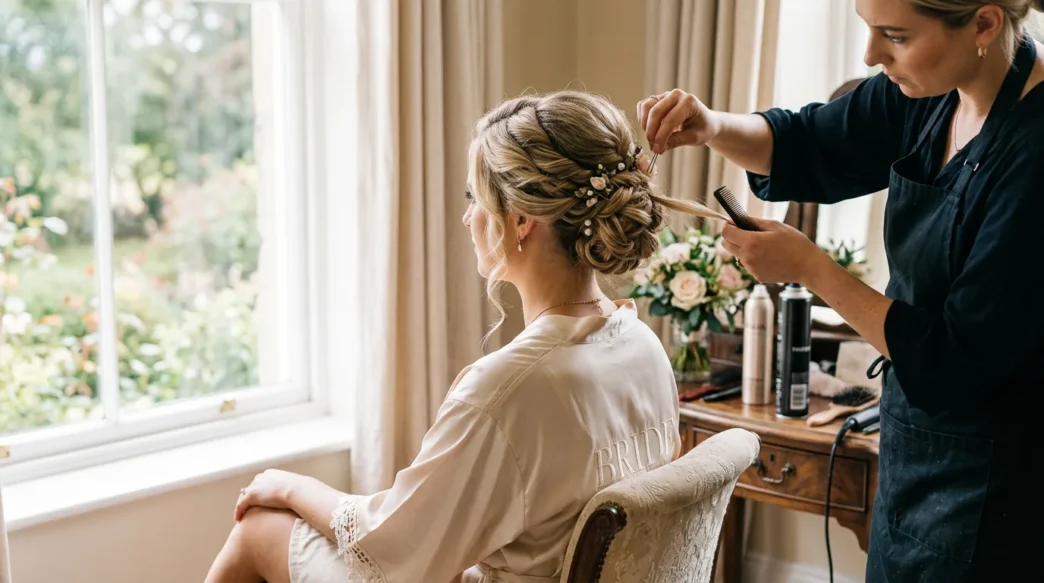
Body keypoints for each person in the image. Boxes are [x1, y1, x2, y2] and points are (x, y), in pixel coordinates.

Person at [204, 90, 720, 583]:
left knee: (259, 529)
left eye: (475, 197)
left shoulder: (510, 390)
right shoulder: (644, 346)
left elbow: (390, 547)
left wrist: (291, 486)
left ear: (520, 220)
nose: (467, 215)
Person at [640, 0, 1044, 580]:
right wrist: (711, 125)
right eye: (867, 29)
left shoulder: (1032, 155)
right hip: (909, 452)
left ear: (984, 24)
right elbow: (807, 142)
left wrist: (812, 269)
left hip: (997, 485)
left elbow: (957, 359)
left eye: (895, 36)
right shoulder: (931, 92)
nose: (871, 55)